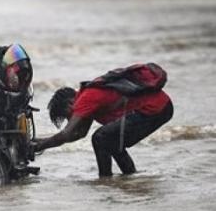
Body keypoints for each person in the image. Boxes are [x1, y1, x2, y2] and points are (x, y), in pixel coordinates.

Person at [32, 65, 173, 177]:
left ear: (70, 103)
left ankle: (105, 178)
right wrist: (38, 141)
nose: (71, 119)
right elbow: (79, 134)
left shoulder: (85, 99)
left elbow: (66, 133)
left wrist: (39, 146)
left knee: (101, 137)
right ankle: (129, 176)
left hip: (156, 108)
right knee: (110, 139)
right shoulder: (87, 98)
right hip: (162, 107)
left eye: (67, 116)